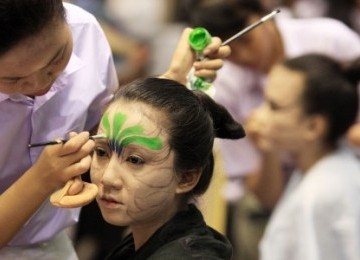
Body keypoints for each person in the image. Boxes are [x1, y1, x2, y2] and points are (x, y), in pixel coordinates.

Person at [0, 0, 230, 258]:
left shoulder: (85, 32)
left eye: (56, 61)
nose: (40, 87)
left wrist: (171, 83)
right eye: (14, 79)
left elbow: (106, 128)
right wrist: (41, 179)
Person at [189, 0, 360, 259]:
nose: (245, 57)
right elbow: (267, 195)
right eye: (231, 52)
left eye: (274, 106)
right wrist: (267, 149)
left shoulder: (330, 39)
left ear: (263, 15)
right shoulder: (227, 86)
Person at [89, 77, 245, 259]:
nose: (108, 178)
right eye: (101, 152)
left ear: (186, 178)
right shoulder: (138, 243)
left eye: (134, 160)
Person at [246, 53, 360, 260]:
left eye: (274, 107)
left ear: (313, 126)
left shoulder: (319, 197)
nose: (257, 115)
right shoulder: (324, 171)